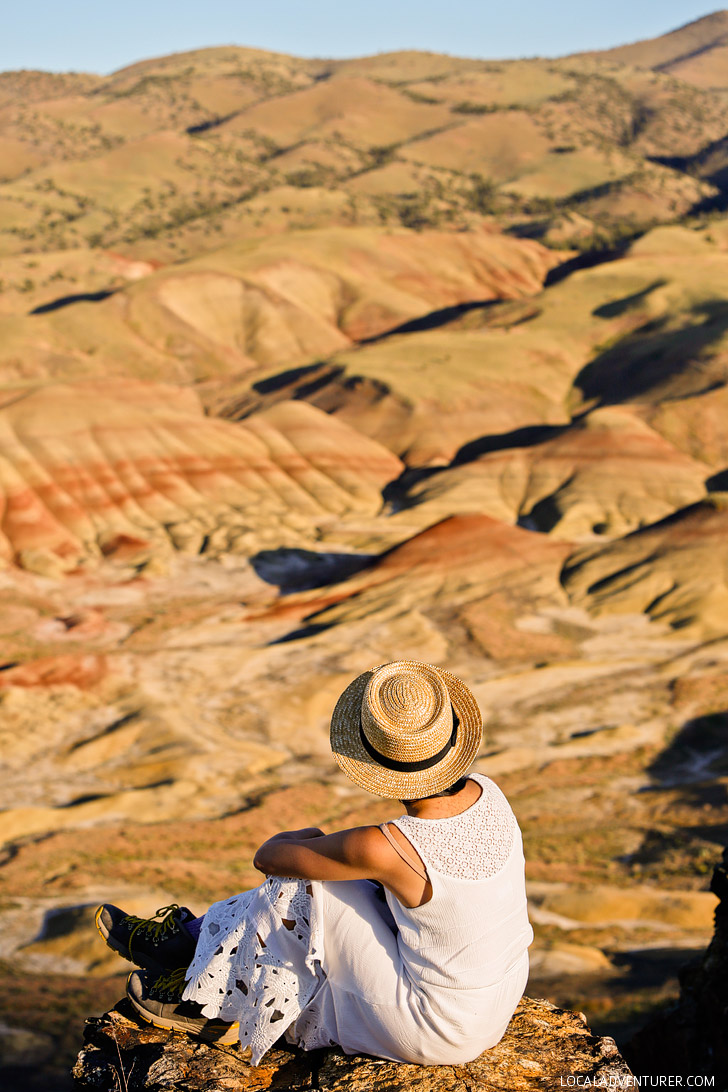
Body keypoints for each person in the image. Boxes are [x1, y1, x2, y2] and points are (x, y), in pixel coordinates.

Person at [95, 660, 533, 1065]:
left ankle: (214, 1005)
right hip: (494, 1002)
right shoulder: (487, 791)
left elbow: (269, 858)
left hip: (434, 1025)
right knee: (336, 880)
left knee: (302, 883)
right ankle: (192, 944)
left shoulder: (387, 846)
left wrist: (316, 841)